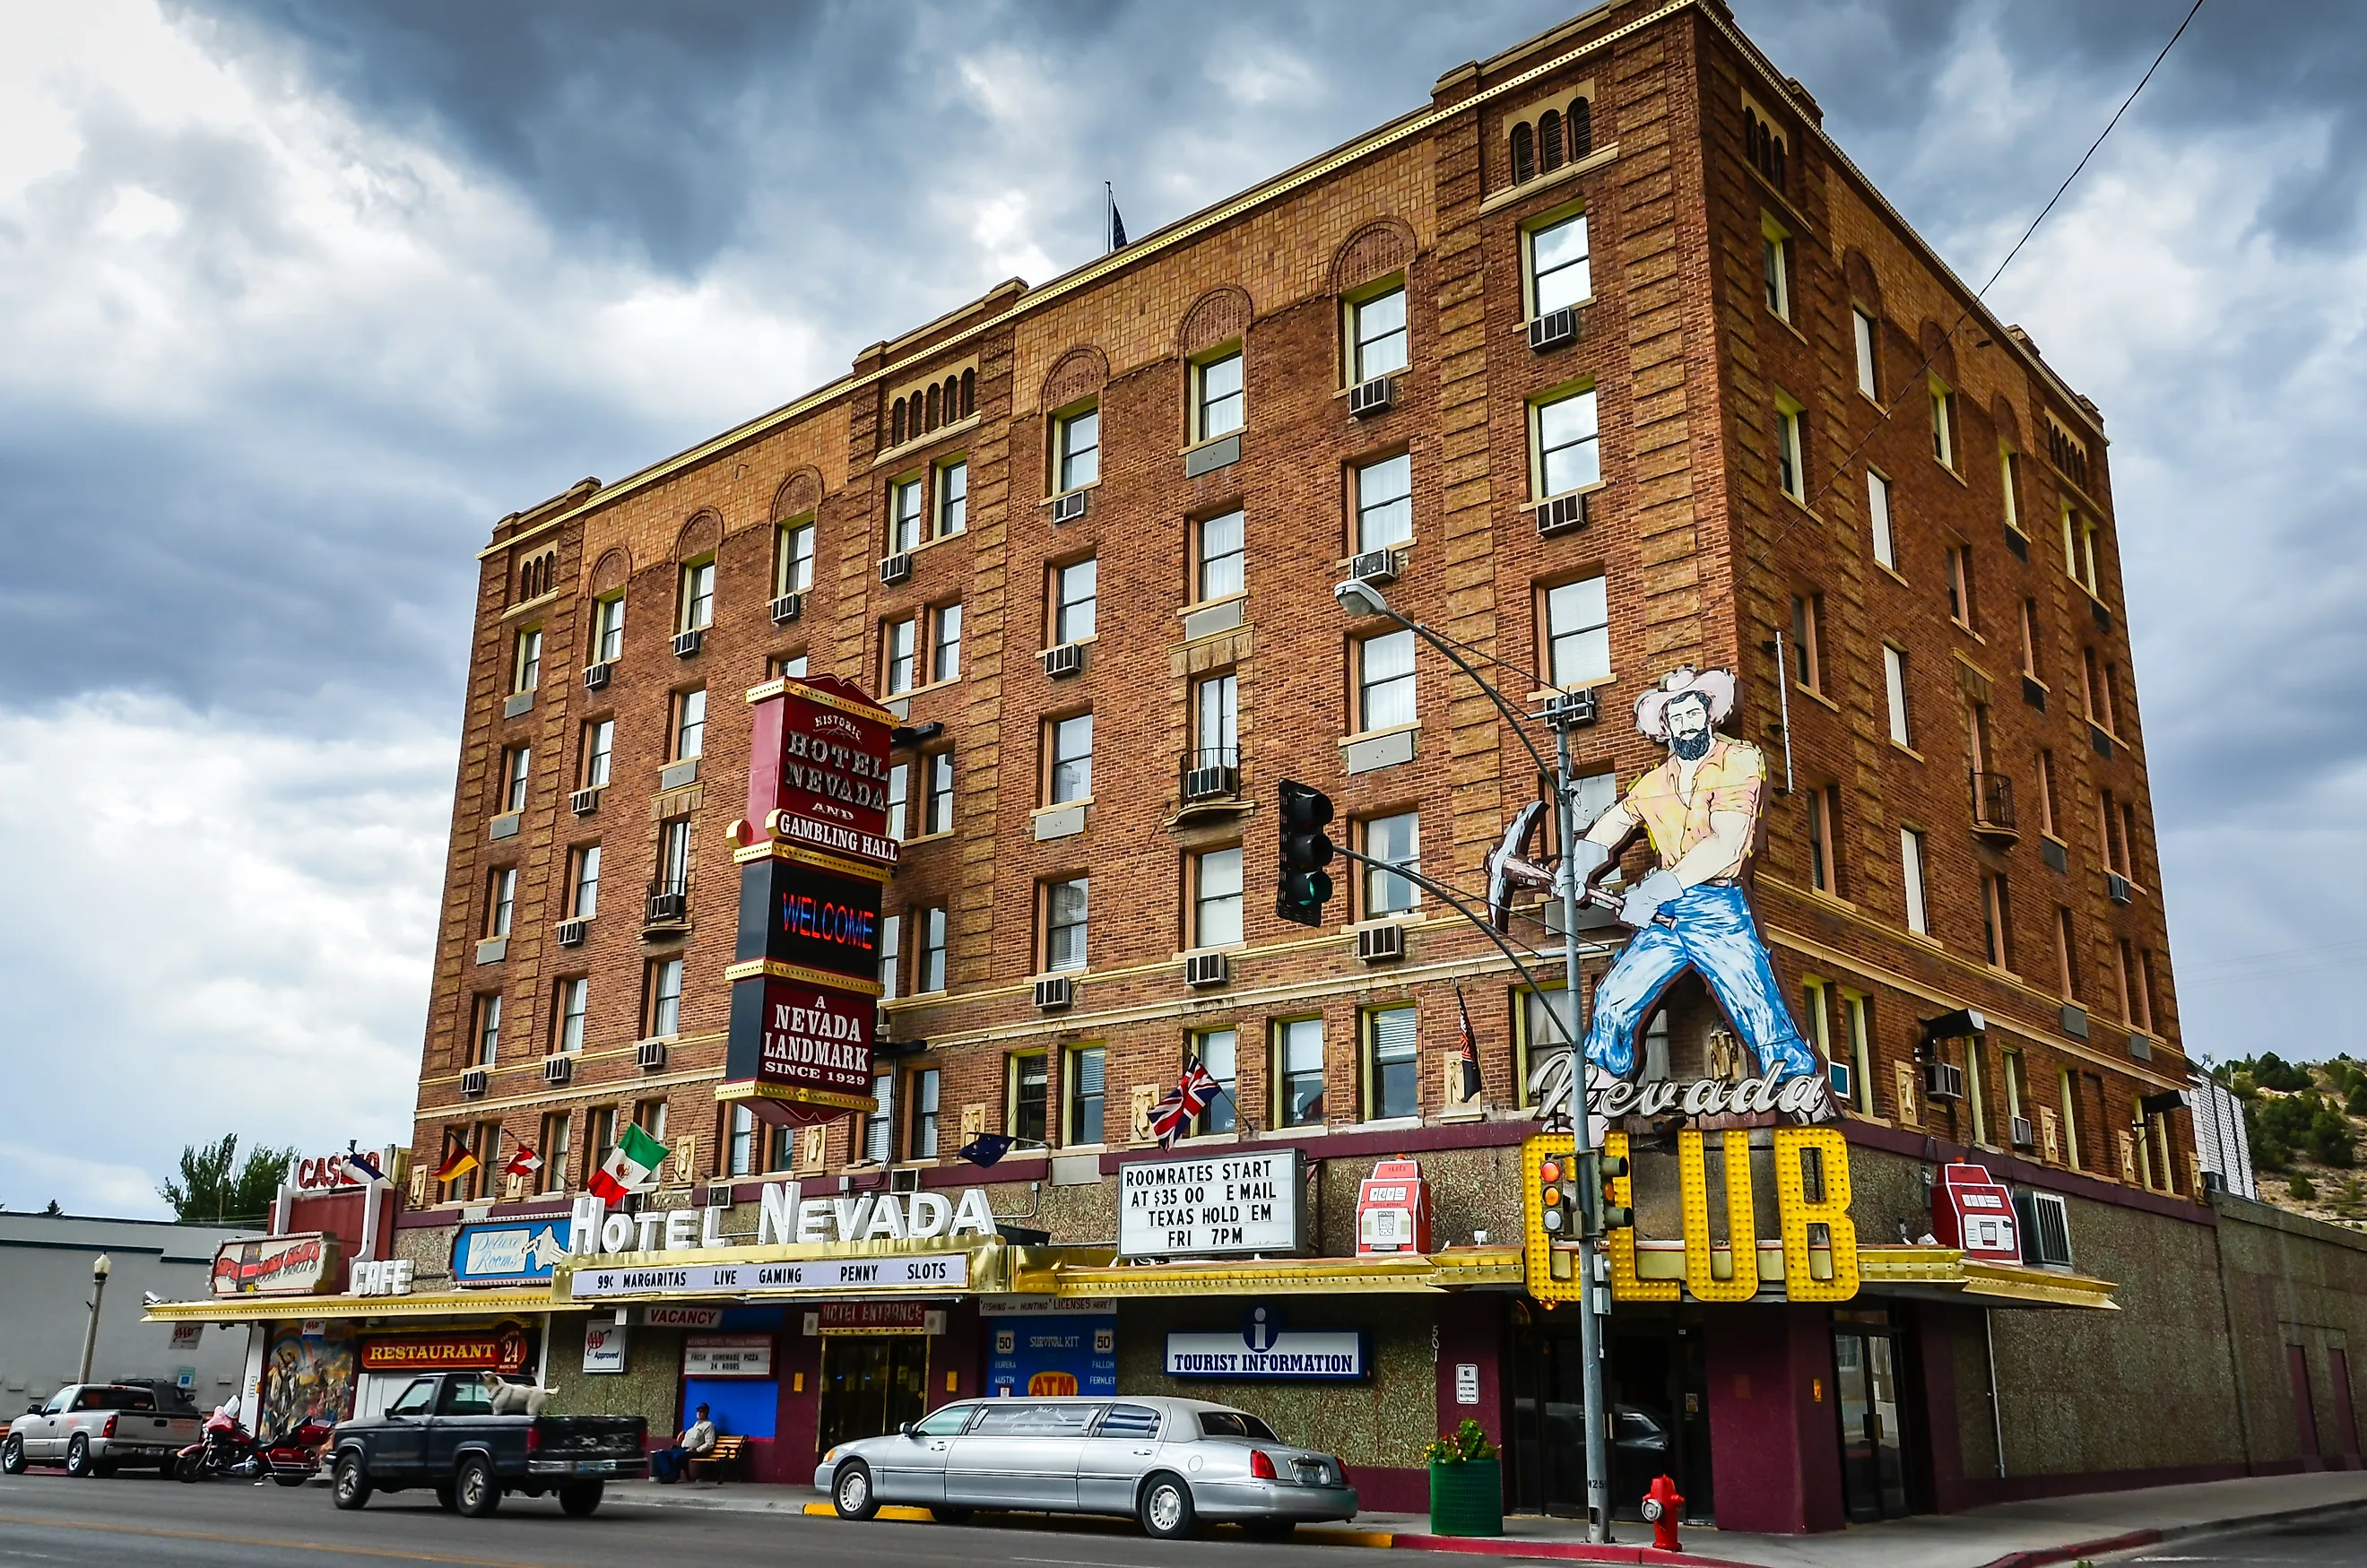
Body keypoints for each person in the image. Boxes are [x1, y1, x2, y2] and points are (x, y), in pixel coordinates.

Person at [1576, 666, 1827, 1107]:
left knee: (1758, 1006)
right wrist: (1577, 866)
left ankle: (1800, 1094)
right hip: (1665, 918)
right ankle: (1600, 1092)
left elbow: (1728, 843)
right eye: (1679, 716)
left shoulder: (1741, 759)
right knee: (1614, 999)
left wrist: (1658, 887)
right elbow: (1615, 822)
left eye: (1695, 711)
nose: (1687, 721)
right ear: (1666, 726)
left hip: (1718, 908)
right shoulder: (1656, 782)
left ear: (1710, 715)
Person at [648, 1404, 716, 1483]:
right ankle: (668, 1474)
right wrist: (684, 1433)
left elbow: (710, 1443)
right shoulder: (696, 1425)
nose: (699, 1413)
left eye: (702, 1411)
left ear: (706, 1413)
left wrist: (697, 1449)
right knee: (661, 1454)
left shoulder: (709, 1425)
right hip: (682, 1449)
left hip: (694, 1451)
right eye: (698, 1411)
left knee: (678, 1456)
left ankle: (673, 1476)